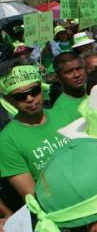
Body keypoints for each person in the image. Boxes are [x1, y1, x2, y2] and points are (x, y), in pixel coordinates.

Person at [0, 62, 72, 202]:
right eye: (20, 96)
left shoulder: (65, 114)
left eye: (34, 91)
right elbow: (33, 195)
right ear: (9, 99)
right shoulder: (6, 141)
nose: (30, 99)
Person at [50, 52, 88, 122]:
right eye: (69, 72)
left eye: (79, 68)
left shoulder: (96, 91)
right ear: (58, 77)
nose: (76, 75)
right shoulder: (60, 109)